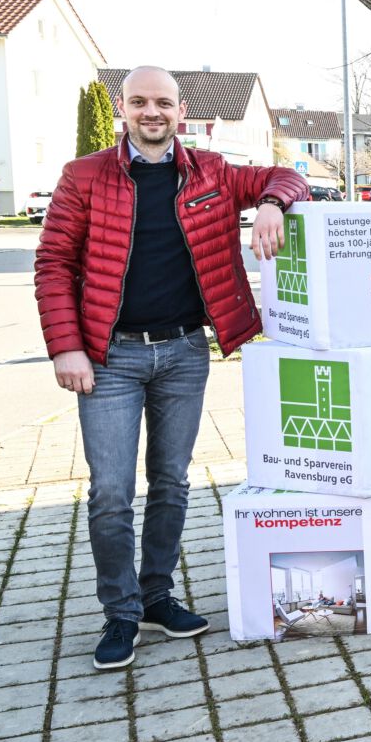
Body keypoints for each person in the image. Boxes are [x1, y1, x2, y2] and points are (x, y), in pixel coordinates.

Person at [34, 65, 308, 671]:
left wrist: (270, 203)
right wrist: (65, 347)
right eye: (139, 102)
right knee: (110, 492)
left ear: (180, 112)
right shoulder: (84, 177)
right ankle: (121, 613)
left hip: (185, 352)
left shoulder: (211, 171)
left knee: (172, 482)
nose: (151, 112)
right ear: (122, 110)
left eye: (162, 103)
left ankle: (156, 595)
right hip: (110, 357)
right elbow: (53, 262)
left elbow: (289, 175)